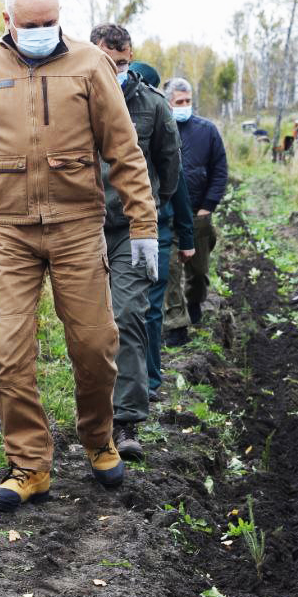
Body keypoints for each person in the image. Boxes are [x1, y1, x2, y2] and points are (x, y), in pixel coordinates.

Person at [0, 0, 158, 512]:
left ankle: (98, 439)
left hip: (77, 226)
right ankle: (30, 465)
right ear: (8, 21)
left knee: (97, 348)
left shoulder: (89, 64)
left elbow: (125, 150)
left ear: (60, 17)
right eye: (29, 26)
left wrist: (143, 226)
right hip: (7, 232)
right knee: (7, 356)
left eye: (48, 24)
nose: (40, 33)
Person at [89, 27, 181, 463]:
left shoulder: (152, 107)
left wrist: (149, 213)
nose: (116, 71)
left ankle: (124, 420)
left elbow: (169, 166)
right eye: (108, 62)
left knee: (127, 313)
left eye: (123, 64)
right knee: (91, 327)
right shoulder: (75, 100)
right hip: (82, 226)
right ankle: (93, 415)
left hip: (130, 228)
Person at [130, 62, 195, 401]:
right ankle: (137, 379)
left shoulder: (157, 121)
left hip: (156, 226)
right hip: (115, 227)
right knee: (133, 311)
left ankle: (150, 380)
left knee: (151, 307)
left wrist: (185, 234)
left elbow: (176, 183)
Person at [162, 77, 227, 347]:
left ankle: (196, 301)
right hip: (167, 216)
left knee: (198, 271)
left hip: (198, 214)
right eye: (179, 102)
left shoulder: (207, 131)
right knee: (169, 270)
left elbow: (220, 171)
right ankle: (176, 325)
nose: (184, 106)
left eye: (188, 101)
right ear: (168, 102)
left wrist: (206, 208)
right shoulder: (160, 129)